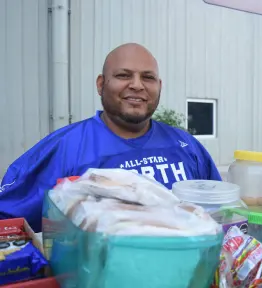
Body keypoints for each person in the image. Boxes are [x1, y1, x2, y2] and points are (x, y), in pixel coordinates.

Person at [0, 43, 221, 232]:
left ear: (159, 86)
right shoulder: (65, 148)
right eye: (123, 75)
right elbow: (9, 222)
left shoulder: (186, 146)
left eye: (148, 77)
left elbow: (219, 212)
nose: (137, 84)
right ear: (100, 84)